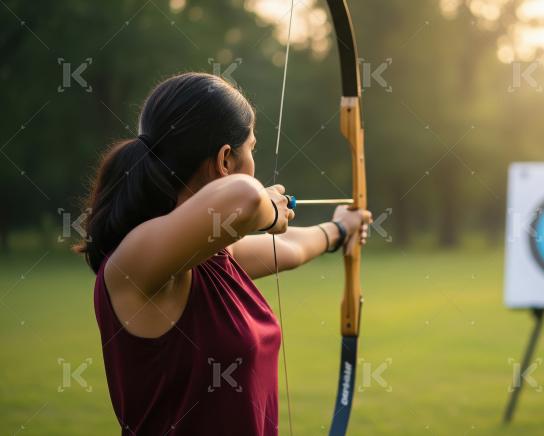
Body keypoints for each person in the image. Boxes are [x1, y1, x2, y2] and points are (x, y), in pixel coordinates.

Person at [74, 72, 372, 435]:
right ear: (226, 160)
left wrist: (340, 229)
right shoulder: (137, 261)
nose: (255, 161)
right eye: (252, 148)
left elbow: (290, 247)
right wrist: (271, 212)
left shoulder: (212, 257)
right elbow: (245, 198)